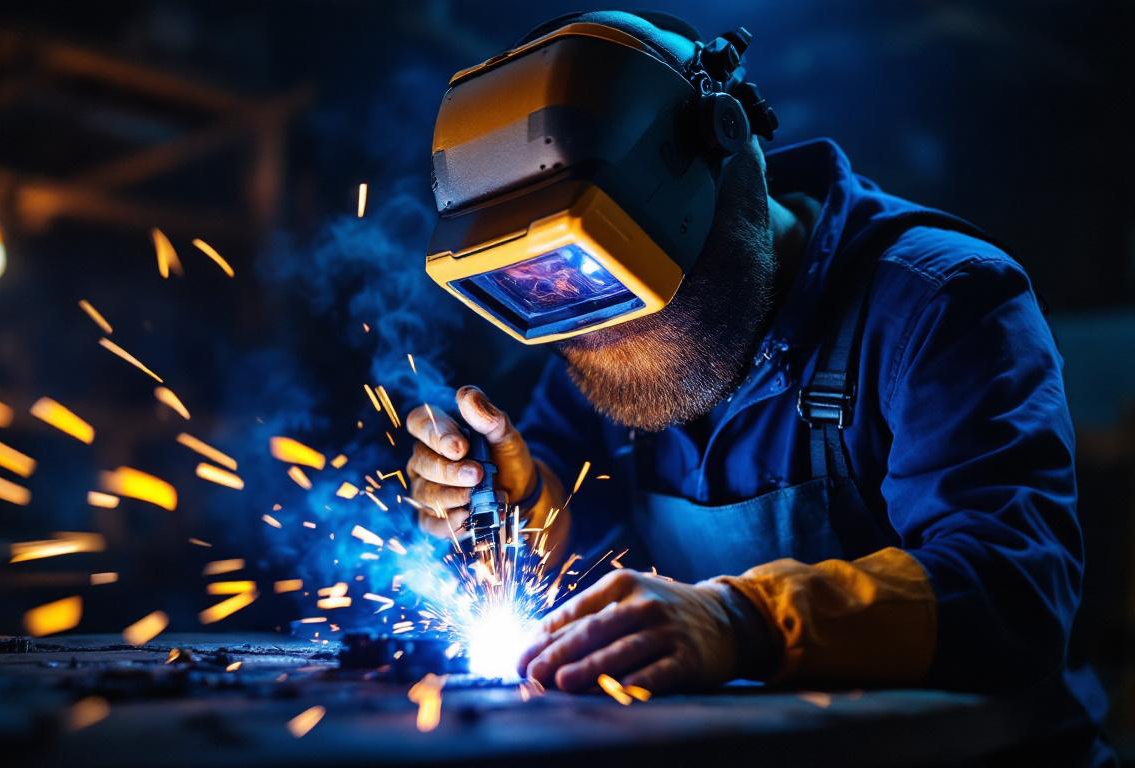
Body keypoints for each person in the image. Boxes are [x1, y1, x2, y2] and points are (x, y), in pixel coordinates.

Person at [405, 10, 1112, 764]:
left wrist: (742, 621)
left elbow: (1012, 593)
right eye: (561, 299)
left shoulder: (941, 303)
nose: (601, 334)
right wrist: (527, 512)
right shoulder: (582, 323)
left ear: (723, 151)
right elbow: (578, 523)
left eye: (633, 293)